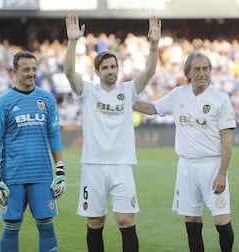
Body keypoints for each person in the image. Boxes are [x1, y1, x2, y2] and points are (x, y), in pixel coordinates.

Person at [64, 13, 161, 252]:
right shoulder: (88, 91)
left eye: (113, 66)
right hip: (93, 166)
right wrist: (73, 41)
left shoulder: (128, 91)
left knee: (126, 221)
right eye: (105, 67)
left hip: (122, 166)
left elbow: (148, 72)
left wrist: (154, 44)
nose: (110, 70)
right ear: (97, 72)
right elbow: (68, 72)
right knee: (95, 222)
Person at [133, 52, 236, 252]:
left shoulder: (220, 100)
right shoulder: (178, 94)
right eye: (197, 69)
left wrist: (222, 173)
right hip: (186, 167)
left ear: (210, 71)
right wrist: (124, 99)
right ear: (188, 72)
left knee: (221, 219)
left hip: (212, 166)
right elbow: (152, 108)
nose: (202, 73)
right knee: (191, 219)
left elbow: (227, 139)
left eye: (205, 68)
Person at [0, 50, 66, 252]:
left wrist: (60, 169)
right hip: (12, 176)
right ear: (15, 71)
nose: (31, 73)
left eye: (34, 69)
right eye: (26, 69)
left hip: (41, 175)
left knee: (46, 226)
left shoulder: (47, 99)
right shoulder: (3, 102)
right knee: (11, 228)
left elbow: (54, 136)